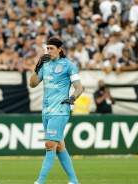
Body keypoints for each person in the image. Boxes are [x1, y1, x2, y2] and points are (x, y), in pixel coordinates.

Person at [29, 37, 83, 184]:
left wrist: (73, 98)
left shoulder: (68, 65)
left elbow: (79, 87)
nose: (49, 51)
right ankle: (74, 181)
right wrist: (37, 66)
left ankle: (39, 182)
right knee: (59, 146)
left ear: (60, 49)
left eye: (51, 48)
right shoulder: (45, 65)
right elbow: (32, 84)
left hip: (60, 109)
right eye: (47, 49)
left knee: (49, 144)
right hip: (46, 110)